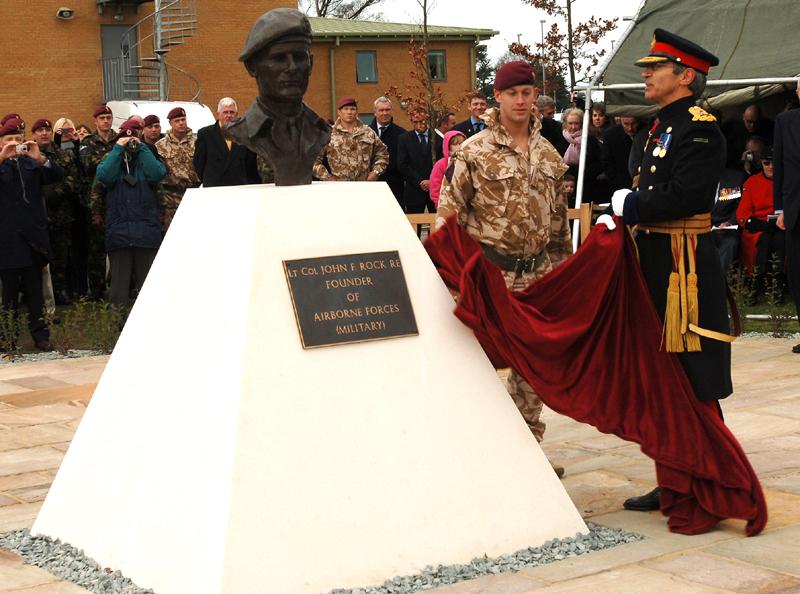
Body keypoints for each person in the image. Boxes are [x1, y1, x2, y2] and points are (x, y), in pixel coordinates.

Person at [603, 29, 734, 512]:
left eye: (654, 67)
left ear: (684, 76)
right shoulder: (662, 123)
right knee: (664, 377)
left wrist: (632, 204)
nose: (645, 74)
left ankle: (714, 479)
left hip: (685, 271)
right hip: (658, 261)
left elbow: (688, 196)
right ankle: (678, 478)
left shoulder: (699, 127)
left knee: (693, 372)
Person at [437, 61, 571, 477]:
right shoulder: (474, 151)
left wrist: (563, 275)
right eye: (512, 93)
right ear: (497, 96)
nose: (520, 100)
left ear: (535, 98)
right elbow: (448, 219)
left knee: (535, 367)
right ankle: (476, 453)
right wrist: (454, 280)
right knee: (475, 364)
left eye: (527, 93)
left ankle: (527, 452)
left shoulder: (548, 153)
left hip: (536, 276)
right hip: (487, 276)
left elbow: (558, 222)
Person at [226, 8, 330, 186]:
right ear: (252, 67)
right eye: (279, 58)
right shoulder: (241, 132)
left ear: (310, 64)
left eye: (299, 57)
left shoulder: (321, 130)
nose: (292, 68)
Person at [0, 118, 64, 351]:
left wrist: (41, 158)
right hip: (7, 242)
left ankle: (40, 335)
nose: (14, 144)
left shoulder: (31, 164)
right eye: (9, 140)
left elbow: (57, 175)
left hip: (32, 242)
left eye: (18, 139)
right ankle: (8, 337)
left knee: (35, 294)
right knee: (8, 296)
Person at [92, 120, 166, 308]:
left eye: (132, 139)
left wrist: (141, 149)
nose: (129, 143)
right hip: (120, 233)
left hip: (145, 232)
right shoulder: (112, 160)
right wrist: (117, 150)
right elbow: (104, 176)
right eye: (124, 139)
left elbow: (157, 174)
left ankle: (150, 321)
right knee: (118, 289)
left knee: (148, 285)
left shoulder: (145, 158)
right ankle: (117, 326)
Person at [32, 118, 80, 307]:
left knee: (60, 257)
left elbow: (72, 180)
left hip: (60, 215)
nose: (44, 133)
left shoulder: (62, 155)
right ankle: (34, 295)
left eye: (47, 130)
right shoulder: (26, 154)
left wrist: (53, 193)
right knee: (36, 259)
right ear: (33, 134)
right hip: (35, 218)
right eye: (40, 130)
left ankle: (59, 291)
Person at [773, 82, 800, 353]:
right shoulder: (785, 121)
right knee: (797, 274)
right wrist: (779, 208)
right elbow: (778, 166)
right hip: (795, 209)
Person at [80, 105, 117, 300]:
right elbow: (88, 164)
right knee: (96, 248)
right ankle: (96, 289)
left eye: (108, 117)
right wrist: (114, 157)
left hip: (117, 199)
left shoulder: (120, 139)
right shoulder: (88, 141)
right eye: (102, 118)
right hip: (96, 200)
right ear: (95, 121)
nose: (105, 121)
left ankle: (120, 286)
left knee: (118, 245)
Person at [737, 148, 784, 302]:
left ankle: (777, 286)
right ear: (761, 164)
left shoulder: (787, 181)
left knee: (780, 241)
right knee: (764, 241)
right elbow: (742, 215)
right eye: (766, 163)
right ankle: (756, 284)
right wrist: (761, 225)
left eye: (774, 163)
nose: (771, 166)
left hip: (782, 226)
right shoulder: (752, 182)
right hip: (758, 228)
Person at [313, 97, 388, 182]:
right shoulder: (329, 134)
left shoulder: (368, 132)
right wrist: (327, 177)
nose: (349, 112)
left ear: (356, 112)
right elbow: (313, 160)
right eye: (346, 109)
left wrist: (376, 172)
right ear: (339, 112)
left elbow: (383, 154)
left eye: (353, 109)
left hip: (364, 185)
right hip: (339, 187)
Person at [194, 97, 260, 187]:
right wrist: (208, 180)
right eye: (225, 112)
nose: (229, 115)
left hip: (240, 186)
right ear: (218, 114)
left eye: (231, 112)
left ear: (236, 114)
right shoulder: (205, 134)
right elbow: (199, 163)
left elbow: (250, 163)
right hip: (214, 186)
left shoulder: (245, 134)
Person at [156, 107, 200, 231]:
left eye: (183, 119)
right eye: (177, 120)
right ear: (170, 123)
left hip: (193, 194)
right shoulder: (160, 145)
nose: (181, 123)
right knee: (171, 233)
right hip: (171, 197)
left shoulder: (198, 143)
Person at [561, 107, 605, 205]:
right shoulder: (561, 139)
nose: (573, 127)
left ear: (582, 124)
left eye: (576, 123)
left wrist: (578, 170)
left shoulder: (590, 140)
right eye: (570, 123)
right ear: (565, 124)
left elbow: (598, 165)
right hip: (563, 190)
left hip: (586, 188)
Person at [368, 96, 406, 204]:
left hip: (394, 186)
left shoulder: (401, 134)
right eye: (381, 110)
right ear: (375, 112)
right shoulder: (366, 133)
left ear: (392, 111)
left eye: (387, 110)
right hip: (370, 183)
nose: (384, 113)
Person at [396, 108, 435, 213]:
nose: (419, 125)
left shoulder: (437, 138)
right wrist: (420, 181)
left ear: (427, 120)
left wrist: (432, 181)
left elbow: (442, 162)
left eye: (422, 121)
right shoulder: (404, 139)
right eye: (415, 122)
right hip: (414, 190)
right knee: (414, 226)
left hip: (435, 189)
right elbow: (402, 164)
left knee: (438, 224)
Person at [723, 104, 774, 168]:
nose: (752, 125)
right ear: (743, 117)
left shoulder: (769, 127)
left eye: (756, 122)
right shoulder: (731, 126)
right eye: (749, 121)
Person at [601, 116, 640, 192]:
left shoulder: (645, 131)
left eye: (633, 123)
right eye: (626, 124)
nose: (630, 128)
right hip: (620, 186)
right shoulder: (610, 135)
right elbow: (607, 163)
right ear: (620, 120)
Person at [429, 130, 465, 209]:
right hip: (445, 207)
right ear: (448, 146)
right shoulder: (441, 164)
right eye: (456, 144)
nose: (460, 146)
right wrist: (440, 204)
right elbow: (435, 186)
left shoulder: (469, 162)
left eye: (462, 143)